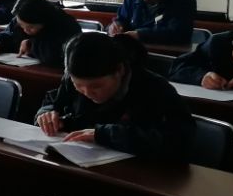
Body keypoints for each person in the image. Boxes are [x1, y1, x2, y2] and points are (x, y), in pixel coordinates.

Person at [35, 32, 195, 160]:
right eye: (78, 85)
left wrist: (106, 135)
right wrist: (47, 114)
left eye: (96, 86)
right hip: (81, 160)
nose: (87, 93)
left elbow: (180, 140)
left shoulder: (155, 89)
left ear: (119, 70)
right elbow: (54, 101)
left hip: (139, 174)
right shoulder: (72, 79)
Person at [0, 0, 81, 68]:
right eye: (21, 25)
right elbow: (7, 36)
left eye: (31, 27)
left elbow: (55, 55)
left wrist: (31, 45)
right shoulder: (20, 18)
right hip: (22, 68)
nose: (25, 30)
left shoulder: (65, 24)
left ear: (43, 21)